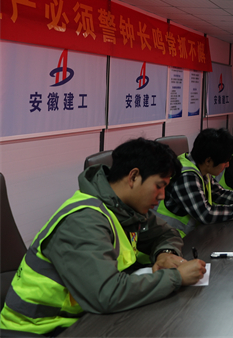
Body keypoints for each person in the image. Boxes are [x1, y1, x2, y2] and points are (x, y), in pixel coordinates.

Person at [0, 138, 206, 336]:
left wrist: (165, 253)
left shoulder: (126, 209)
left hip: (82, 318)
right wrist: (176, 277)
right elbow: (106, 294)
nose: (162, 196)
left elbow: (167, 233)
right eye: (159, 186)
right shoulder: (84, 221)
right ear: (134, 177)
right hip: (39, 329)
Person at [155, 128, 233, 236]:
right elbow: (206, 214)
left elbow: (219, 193)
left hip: (191, 235)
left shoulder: (200, 167)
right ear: (208, 161)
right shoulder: (186, 176)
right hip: (171, 239)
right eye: (225, 161)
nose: (227, 165)